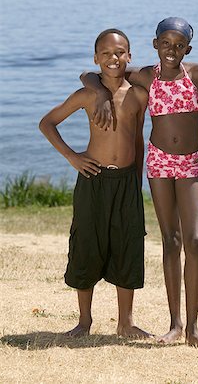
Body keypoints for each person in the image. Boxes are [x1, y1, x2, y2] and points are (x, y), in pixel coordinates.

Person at [80, 17, 198, 348]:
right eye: (166, 43)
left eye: (179, 45)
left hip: (190, 163)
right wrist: (99, 92)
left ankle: (194, 329)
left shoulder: (197, 74)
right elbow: (92, 73)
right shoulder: (146, 74)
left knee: (195, 241)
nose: (172, 50)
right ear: (155, 44)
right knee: (170, 240)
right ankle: (175, 325)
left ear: (187, 48)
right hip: (159, 162)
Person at [39, 28, 150, 338]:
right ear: (96, 58)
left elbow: (138, 138)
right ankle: (84, 321)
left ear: (129, 56)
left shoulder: (139, 95)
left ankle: (125, 323)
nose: (113, 58)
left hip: (126, 180)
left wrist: (137, 178)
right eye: (106, 53)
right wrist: (72, 157)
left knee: (128, 243)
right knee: (86, 242)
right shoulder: (88, 94)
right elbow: (47, 123)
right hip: (93, 177)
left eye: (119, 53)